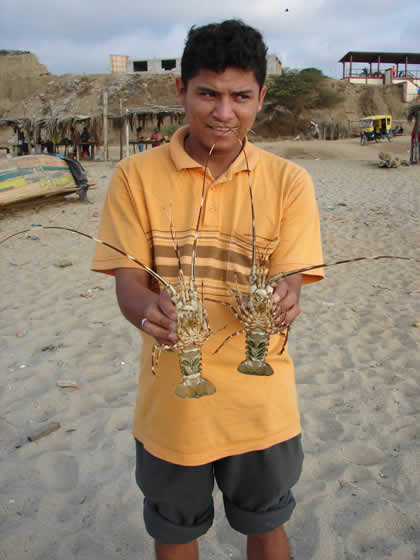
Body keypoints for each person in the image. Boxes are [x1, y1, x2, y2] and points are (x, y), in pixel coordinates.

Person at [92, 19, 323, 560]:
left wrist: (288, 297)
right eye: (208, 94)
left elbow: (291, 277)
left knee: (267, 524)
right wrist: (148, 308)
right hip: (173, 408)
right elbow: (129, 283)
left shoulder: (289, 181)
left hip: (261, 407)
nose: (224, 112)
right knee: (174, 532)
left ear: (262, 97)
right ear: (181, 90)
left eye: (241, 96)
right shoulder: (134, 176)